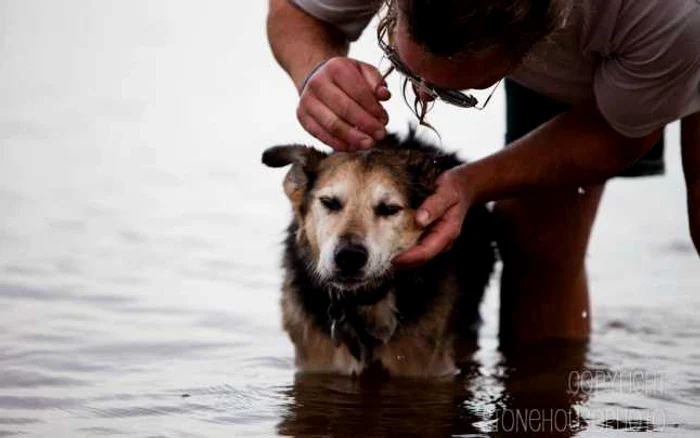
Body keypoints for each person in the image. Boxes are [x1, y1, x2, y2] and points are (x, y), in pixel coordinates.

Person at [266, 0, 700, 342]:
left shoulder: (667, 16)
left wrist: (472, 183)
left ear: (537, 46)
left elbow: (620, 135)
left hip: (670, 36)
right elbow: (296, 9)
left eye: (455, 93)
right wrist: (314, 69)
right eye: (399, 62)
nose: (421, 98)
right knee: (535, 248)